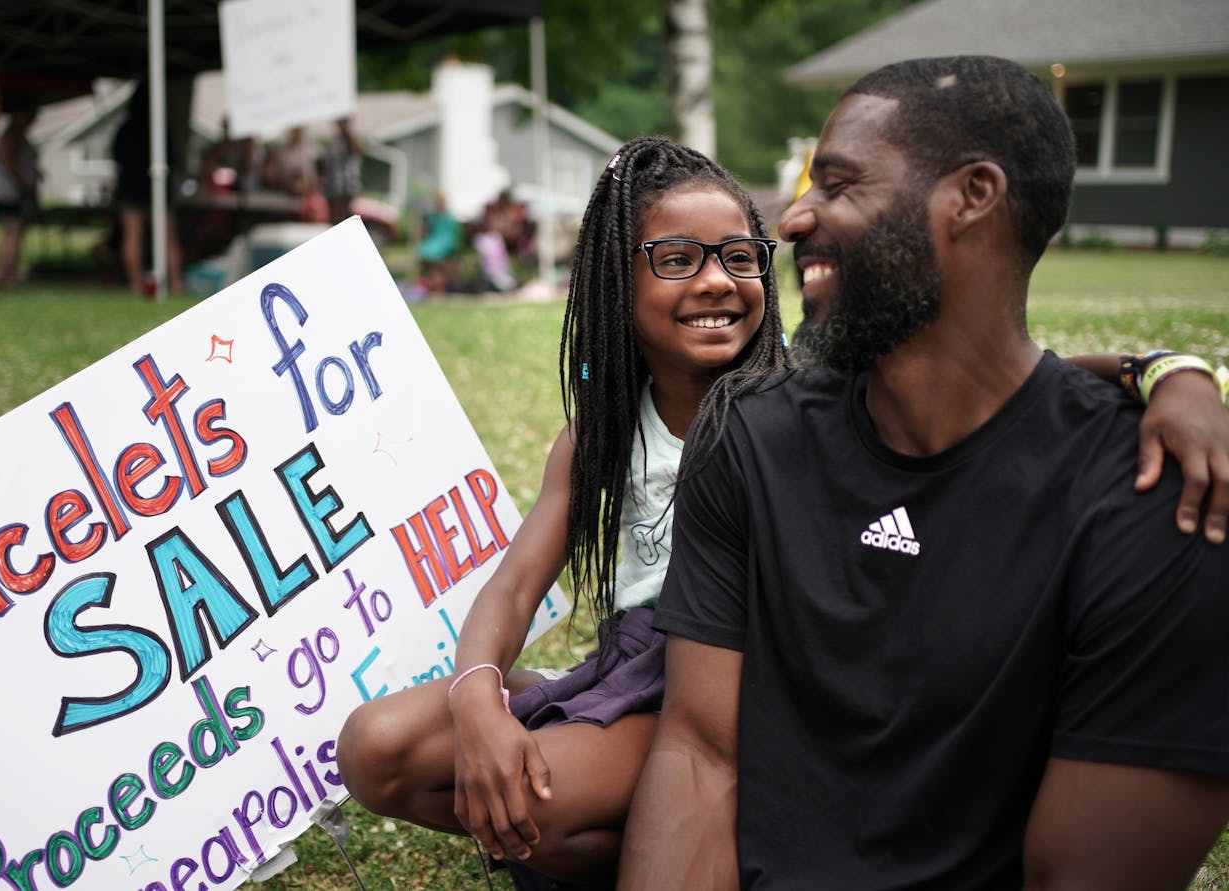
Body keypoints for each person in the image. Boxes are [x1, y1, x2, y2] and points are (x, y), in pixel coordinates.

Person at [335, 135, 1228, 889]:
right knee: (378, 748)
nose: (717, 281)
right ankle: (620, 779)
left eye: (738, 256)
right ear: (616, 279)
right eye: (677, 258)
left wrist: (1168, 369)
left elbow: (1024, 374)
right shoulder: (598, 436)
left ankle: (691, 829)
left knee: (539, 805)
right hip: (635, 665)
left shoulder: (811, 393)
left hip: (735, 679)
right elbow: (514, 585)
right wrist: (480, 699)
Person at [621, 56, 1229, 889]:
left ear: (972, 196)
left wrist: (1166, 371)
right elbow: (697, 755)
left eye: (837, 185)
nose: (793, 220)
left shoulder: (1159, 504)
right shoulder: (749, 439)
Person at [111, 83, 183, 296]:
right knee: (168, 238)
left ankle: (136, 286)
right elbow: (173, 158)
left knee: (133, 236)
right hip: (157, 184)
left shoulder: (125, 128)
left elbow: (116, 157)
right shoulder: (161, 128)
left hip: (130, 185)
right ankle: (177, 284)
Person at [0, 105, 39, 289]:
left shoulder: (15, 134)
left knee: (14, 233)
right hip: (9, 191)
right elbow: (7, 161)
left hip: (11, 190)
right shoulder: (12, 135)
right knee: (12, 233)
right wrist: (25, 182)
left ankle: (9, 273)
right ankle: (3, 275)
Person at [320, 116, 360, 225]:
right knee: (336, 218)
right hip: (334, 188)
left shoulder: (350, 141)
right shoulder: (335, 143)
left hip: (346, 188)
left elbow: (354, 151)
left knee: (344, 217)